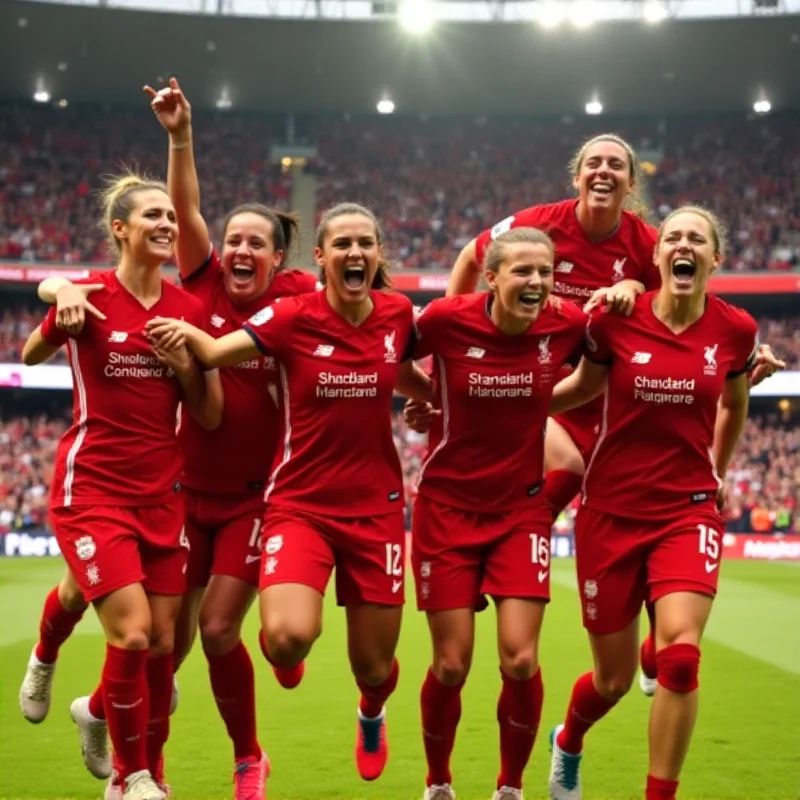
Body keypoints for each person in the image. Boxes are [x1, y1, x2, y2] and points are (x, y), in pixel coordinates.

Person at [145, 202, 433, 783]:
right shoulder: (291, 316)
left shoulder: (399, 312)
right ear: (321, 257)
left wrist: (431, 400)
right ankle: (275, 680)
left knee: (374, 668)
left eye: (366, 243)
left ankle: (371, 711)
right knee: (284, 640)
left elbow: (395, 367)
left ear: (378, 257)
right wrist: (186, 332)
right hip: (299, 505)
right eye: (343, 244)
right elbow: (220, 353)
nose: (355, 253)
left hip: (376, 510)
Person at [545, 206, 778, 800]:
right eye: (672, 236)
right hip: (611, 511)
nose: (683, 244)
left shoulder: (736, 330)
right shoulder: (616, 322)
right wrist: (514, 402)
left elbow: (735, 401)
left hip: (687, 509)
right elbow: (582, 389)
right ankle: (569, 739)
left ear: (714, 258)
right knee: (614, 679)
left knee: (679, 661)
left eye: (697, 238)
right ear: (656, 258)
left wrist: (718, 471)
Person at [142, 77, 320, 793]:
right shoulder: (202, 280)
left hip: (256, 497)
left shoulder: (300, 300)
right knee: (163, 646)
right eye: (233, 239)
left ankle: (249, 756)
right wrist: (180, 136)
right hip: (183, 493)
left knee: (219, 631)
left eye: (258, 243)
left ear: (279, 259)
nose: (241, 250)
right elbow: (184, 206)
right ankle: (144, 767)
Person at [21, 172, 222, 800]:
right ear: (121, 229)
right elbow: (29, 354)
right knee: (132, 631)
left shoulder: (188, 310)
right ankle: (133, 779)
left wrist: (187, 363)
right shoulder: (92, 296)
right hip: (94, 488)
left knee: (162, 645)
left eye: (172, 215)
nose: (167, 224)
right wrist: (62, 302)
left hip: (162, 493)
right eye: (153, 216)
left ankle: (95, 717)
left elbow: (209, 413)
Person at [409, 227, 587, 800]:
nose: (536, 282)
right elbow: (379, 353)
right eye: (523, 272)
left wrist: (539, 401)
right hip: (445, 510)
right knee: (452, 665)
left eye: (545, 273)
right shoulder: (444, 320)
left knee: (520, 658)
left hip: (520, 512)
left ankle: (510, 787)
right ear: (492, 277)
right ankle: (438, 782)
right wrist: (423, 395)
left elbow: (608, 368)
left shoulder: (570, 325)